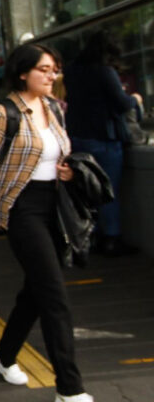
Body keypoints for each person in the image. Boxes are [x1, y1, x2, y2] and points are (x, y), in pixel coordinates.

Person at [0, 44, 105, 402]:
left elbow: (56, 155)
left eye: (55, 70)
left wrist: (66, 171)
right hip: (23, 211)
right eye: (45, 70)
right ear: (23, 73)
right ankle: (69, 389)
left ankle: (3, 356)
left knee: (35, 293)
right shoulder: (3, 113)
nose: (53, 76)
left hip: (56, 208)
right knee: (54, 296)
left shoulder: (53, 109)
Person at [63, 30, 144, 256]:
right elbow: (121, 103)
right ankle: (111, 238)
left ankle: (92, 237)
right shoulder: (105, 72)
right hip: (104, 139)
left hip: (77, 138)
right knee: (107, 191)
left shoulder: (71, 71)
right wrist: (135, 100)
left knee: (87, 191)